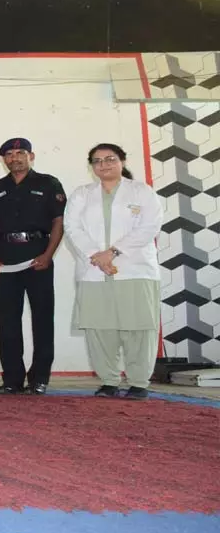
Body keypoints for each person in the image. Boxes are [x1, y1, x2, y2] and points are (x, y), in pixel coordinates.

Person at [64, 144, 163, 400]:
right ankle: (109, 380)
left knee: (138, 327)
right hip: (94, 269)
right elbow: (72, 228)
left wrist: (113, 252)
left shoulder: (141, 192)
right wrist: (97, 256)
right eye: (97, 161)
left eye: (110, 159)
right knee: (99, 328)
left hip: (135, 268)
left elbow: (149, 227)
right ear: (91, 166)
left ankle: (139, 382)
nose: (104, 165)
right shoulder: (82, 194)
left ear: (122, 161)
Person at [0, 137, 65, 396]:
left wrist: (48, 255)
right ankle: (12, 380)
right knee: (7, 321)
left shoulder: (48, 184)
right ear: (3, 159)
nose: (14, 158)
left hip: (37, 257)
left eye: (20, 153)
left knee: (42, 320)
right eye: (9, 154)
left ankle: (39, 379)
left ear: (31, 156)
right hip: (4, 260)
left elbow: (58, 223)